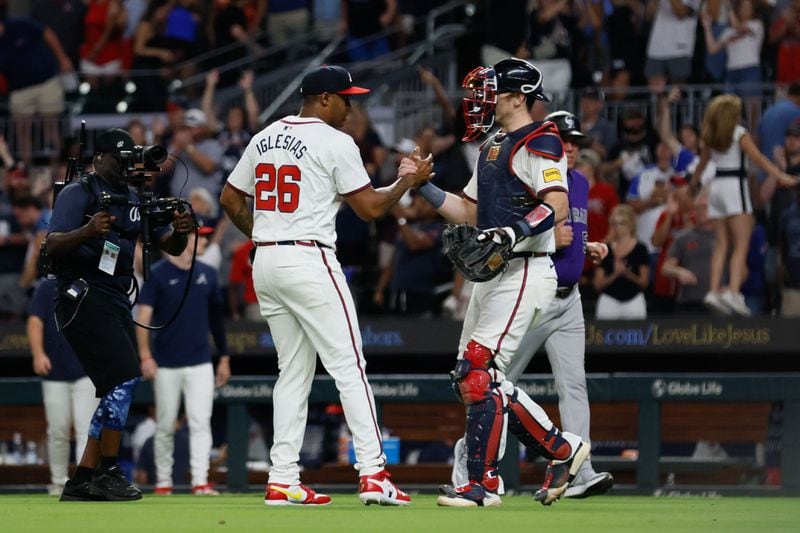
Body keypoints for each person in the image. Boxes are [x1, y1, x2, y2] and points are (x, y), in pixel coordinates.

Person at [219, 64, 433, 506]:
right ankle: (374, 473)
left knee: (293, 373)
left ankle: (282, 478)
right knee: (349, 366)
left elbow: (228, 198)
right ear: (322, 99)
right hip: (308, 257)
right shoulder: (336, 142)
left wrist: (265, 235)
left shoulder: (265, 135)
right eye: (344, 97)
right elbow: (371, 209)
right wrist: (407, 183)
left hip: (267, 259)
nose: (351, 106)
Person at [414, 58, 591, 508]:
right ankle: (562, 450)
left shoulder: (542, 136)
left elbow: (557, 205)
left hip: (527, 267)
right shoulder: (494, 143)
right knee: (469, 379)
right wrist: (425, 187)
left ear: (517, 97)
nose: (482, 98)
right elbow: (470, 212)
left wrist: (511, 232)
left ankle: (485, 483)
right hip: (495, 272)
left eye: (492, 90)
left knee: (479, 373)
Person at [449, 110, 613, 499]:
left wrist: (585, 248)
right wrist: (539, 241)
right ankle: (471, 464)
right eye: (565, 140)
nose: (570, 147)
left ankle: (578, 469)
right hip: (529, 289)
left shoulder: (580, 183)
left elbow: (569, 232)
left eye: (576, 142)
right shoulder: (526, 175)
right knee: (488, 380)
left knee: (572, 385)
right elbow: (533, 230)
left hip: (568, 297)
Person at [45, 128, 193, 501]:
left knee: (119, 385)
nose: (126, 166)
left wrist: (180, 232)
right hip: (81, 293)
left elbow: (169, 246)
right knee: (125, 377)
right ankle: (108, 470)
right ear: (99, 159)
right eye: (119, 159)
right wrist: (88, 229)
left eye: (130, 159)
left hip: (115, 297)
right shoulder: (78, 192)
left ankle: (82, 481)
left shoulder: (133, 196)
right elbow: (52, 243)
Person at [136, 231, 231, 496]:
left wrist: (223, 357)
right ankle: (163, 482)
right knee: (165, 424)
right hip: (166, 363)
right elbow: (143, 317)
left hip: (200, 361)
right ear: (186, 240)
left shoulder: (208, 273)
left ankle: (200, 481)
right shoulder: (157, 273)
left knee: (201, 421)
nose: (204, 242)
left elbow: (217, 322)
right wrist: (145, 356)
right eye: (199, 237)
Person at [690, 95, 797, 316]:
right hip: (734, 187)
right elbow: (758, 159)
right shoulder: (739, 134)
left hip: (716, 188)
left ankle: (713, 291)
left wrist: (693, 185)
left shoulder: (711, 136)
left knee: (721, 244)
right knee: (741, 244)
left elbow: (701, 166)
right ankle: (733, 293)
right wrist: (781, 176)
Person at [27, 279, 99, 496]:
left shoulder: (90, 282)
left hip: (86, 370)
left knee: (86, 430)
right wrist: (38, 354)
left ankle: (83, 481)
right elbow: (35, 322)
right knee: (57, 430)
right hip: (55, 371)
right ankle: (58, 481)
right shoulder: (47, 287)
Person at [594, 204, 650, 319]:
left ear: (630, 224)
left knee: (636, 335)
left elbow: (644, 283)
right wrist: (615, 274)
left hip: (634, 300)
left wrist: (628, 274)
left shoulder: (640, 248)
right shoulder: (605, 250)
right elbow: (598, 284)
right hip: (609, 300)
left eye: (622, 223)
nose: (618, 227)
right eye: (615, 224)